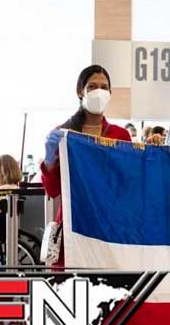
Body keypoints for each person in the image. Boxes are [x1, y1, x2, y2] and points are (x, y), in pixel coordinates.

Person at [40, 64, 131, 262]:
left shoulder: (120, 135)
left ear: (110, 93)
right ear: (80, 91)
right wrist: (49, 160)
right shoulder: (65, 133)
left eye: (104, 87)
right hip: (73, 226)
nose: (99, 91)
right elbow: (53, 190)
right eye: (92, 86)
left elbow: (127, 185)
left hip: (109, 228)